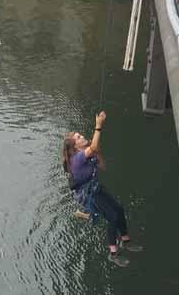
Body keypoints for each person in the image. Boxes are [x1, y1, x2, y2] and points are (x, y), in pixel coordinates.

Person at [62, 111, 139, 266]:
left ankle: (126, 240)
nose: (82, 136)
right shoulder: (76, 159)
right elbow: (95, 145)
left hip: (97, 189)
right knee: (112, 218)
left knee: (119, 210)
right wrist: (98, 126)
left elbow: (103, 166)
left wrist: (96, 153)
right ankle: (113, 253)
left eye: (80, 135)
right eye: (78, 137)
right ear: (74, 148)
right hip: (91, 195)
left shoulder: (87, 155)